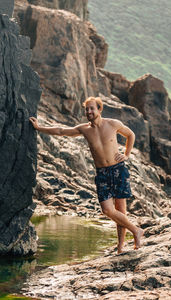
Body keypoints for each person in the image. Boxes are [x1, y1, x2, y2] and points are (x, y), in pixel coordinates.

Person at [29, 96, 144, 253]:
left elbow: (130, 135)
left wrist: (127, 154)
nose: (89, 111)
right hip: (102, 173)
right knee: (108, 210)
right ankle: (136, 230)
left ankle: (120, 247)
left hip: (118, 169)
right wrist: (39, 127)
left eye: (92, 108)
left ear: (99, 109)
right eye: (87, 109)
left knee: (121, 211)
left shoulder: (112, 124)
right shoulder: (84, 129)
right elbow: (61, 131)